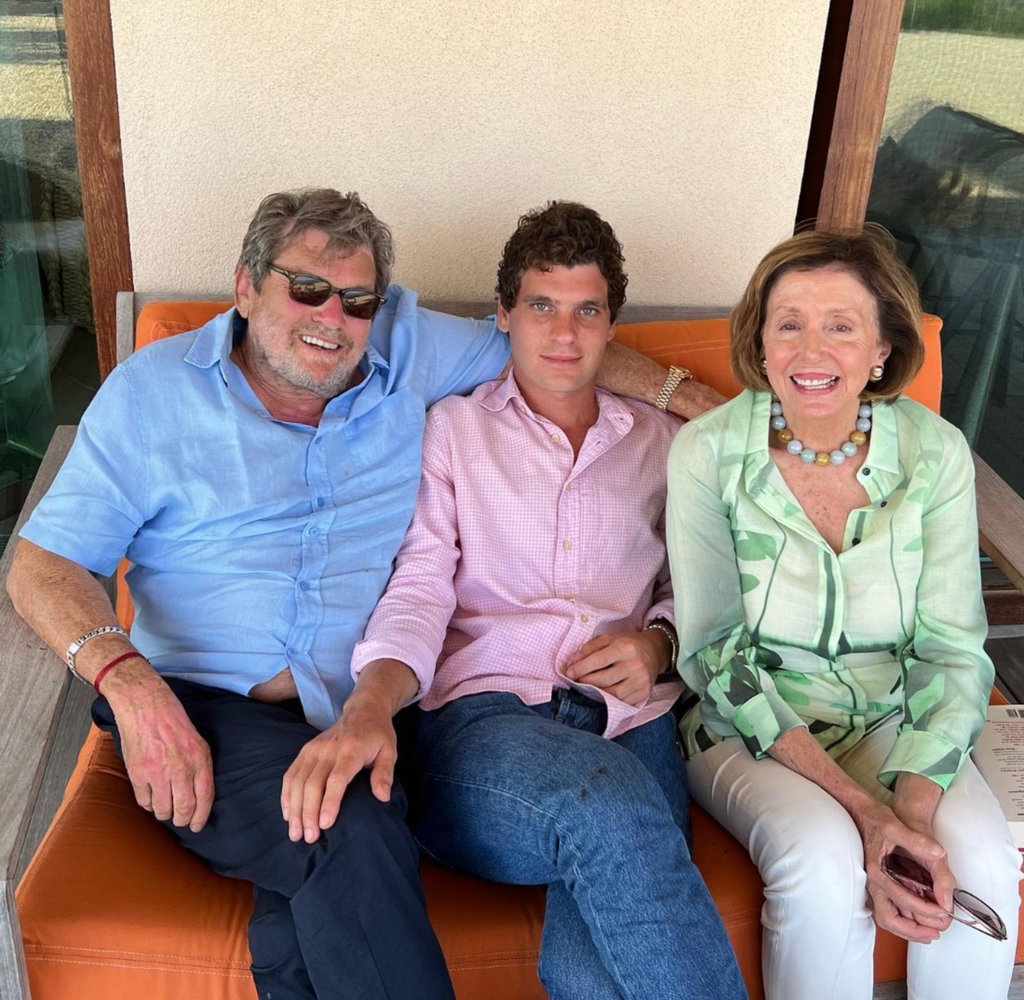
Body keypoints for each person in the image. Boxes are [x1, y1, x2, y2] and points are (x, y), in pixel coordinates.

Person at [6, 188, 722, 1000]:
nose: (332, 318)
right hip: (209, 707)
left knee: (310, 894)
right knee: (351, 816)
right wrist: (127, 685)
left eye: (355, 300)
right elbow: (41, 566)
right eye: (305, 289)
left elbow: (557, 350)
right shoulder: (153, 394)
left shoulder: (403, 352)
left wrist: (693, 403)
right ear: (246, 288)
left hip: (361, 709)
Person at [350, 201, 747, 1000]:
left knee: (590, 970)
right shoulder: (453, 431)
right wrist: (372, 694)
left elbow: (705, 584)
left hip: (628, 721)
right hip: (482, 729)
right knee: (605, 805)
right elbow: (421, 583)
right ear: (502, 315)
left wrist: (660, 643)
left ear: (611, 324)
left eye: (586, 311)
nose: (563, 335)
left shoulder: (663, 443)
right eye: (541, 307)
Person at [665, 225, 1020, 1000]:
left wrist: (914, 809)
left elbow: (954, 649)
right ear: (760, 343)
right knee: (822, 865)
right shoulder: (709, 453)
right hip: (752, 725)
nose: (809, 349)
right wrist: (868, 813)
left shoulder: (936, 454)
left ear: (883, 349)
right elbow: (714, 653)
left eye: (840, 326)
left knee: (985, 863)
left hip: (898, 712)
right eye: (788, 322)